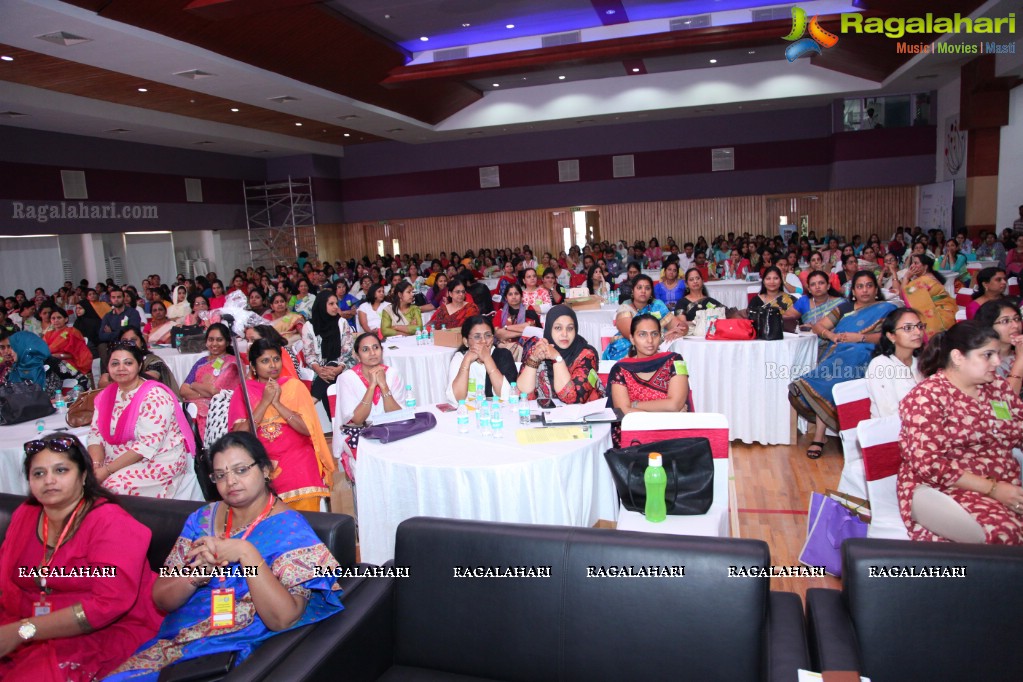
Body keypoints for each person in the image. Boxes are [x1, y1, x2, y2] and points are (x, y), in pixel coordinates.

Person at [108, 431, 344, 680]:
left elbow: (284, 618)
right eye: (221, 475)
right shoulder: (202, 520)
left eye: (241, 470)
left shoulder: (290, 529)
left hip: (240, 650)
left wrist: (245, 552)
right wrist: (196, 575)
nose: (230, 481)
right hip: (177, 646)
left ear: (265, 470)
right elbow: (162, 598)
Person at [0, 433, 163, 680]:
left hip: (103, 631)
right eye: (39, 473)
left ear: (84, 475)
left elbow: (106, 606)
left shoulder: (110, 523)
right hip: (25, 622)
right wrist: (21, 628)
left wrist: (25, 630)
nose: (49, 481)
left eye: (61, 470)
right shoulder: (27, 514)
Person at [897, 323, 1023, 544]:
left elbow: (1018, 430)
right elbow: (930, 464)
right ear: (957, 357)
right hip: (944, 488)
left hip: (1006, 483)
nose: (997, 362)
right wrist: (993, 489)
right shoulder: (927, 397)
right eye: (988, 355)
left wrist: (1002, 488)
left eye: (996, 354)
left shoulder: (997, 388)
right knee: (1006, 536)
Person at [789, 271, 897, 459]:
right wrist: (832, 336)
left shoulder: (887, 308)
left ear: (876, 289)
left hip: (870, 352)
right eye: (860, 286)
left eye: (869, 285)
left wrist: (861, 337)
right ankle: (819, 436)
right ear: (853, 290)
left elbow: (892, 336)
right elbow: (819, 326)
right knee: (834, 365)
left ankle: (819, 430)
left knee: (851, 358)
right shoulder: (845, 307)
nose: (865, 290)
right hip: (838, 350)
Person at [228, 340, 334, 511]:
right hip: (261, 459)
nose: (273, 365)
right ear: (253, 366)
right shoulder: (243, 391)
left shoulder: (294, 387)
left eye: (276, 359)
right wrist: (264, 402)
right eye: (265, 361)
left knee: (303, 515)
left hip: (297, 456)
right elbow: (239, 435)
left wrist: (277, 403)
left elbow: (308, 429)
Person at [87, 343, 196, 498]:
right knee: (77, 482)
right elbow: (95, 435)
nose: (121, 368)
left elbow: (146, 446)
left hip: (157, 460)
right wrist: (96, 466)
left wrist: (105, 471)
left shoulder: (154, 396)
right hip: (114, 461)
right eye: (115, 363)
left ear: (139, 366)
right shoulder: (106, 396)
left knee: (111, 488)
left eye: (128, 363)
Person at [606, 314, 690, 446]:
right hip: (635, 440)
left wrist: (634, 405)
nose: (650, 340)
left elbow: (674, 404)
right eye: (642, 335)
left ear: (660, 336)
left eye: (654, 334)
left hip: (673, 437)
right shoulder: (621, 369)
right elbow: (623, 411)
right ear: (632, 339)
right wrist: (666, 415)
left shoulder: (676, 360)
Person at [333, 332, 407, 480]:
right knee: (374, 463)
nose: (372, 353)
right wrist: (372, 386)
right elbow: (357, 420)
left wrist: (384, 386)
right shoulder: (346, 378)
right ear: (357, 355)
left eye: (376, 348)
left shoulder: (392, 374)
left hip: (389, 430)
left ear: (382, 350)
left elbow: (397, 416)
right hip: (357, 433)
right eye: (365, 349)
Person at [517, 305, 604, 408]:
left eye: (570, 328)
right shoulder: (539, 349)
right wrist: (534, 359)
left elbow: (573, 399)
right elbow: (524, 395)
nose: (565, 334)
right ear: (549, 329)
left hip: (585, 418)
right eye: (558, 328)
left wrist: (557, 359)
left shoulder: (587, 354)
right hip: (547, 417)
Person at [179, 323, 242, 441]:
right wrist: (202, 391)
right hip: (193, 408)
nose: (214, 344)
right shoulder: (201, 362)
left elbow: (215, 391)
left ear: (227, 342)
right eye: (211, 340)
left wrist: (194, 385)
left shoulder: (232, 363)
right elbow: (183, 390)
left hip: (219, 410)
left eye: (219, 340)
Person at [603, 274, 686, 360]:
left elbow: (682, 327)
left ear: (651, 292)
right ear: (632, 291)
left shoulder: (657, 305)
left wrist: (676, 332)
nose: (643, 291)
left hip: (654, 347)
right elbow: (633, 336)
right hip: (624, 350)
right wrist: (663, 336)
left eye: (647, 288)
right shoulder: (625, 308)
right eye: (639, 288)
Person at [865, 308, 925, 418]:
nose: (917, 332)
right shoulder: (880, 365)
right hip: (893, 430)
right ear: (891, 336)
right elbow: (889, 413)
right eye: (908, 328)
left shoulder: (921, 361)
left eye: (920, 326)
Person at [445, 316, 518, 405]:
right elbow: (458, 398)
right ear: (466, 341)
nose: (483, 341)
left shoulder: (503, 355)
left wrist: (487, 359)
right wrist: (466, 361)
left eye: (488, 335)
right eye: (477, 337)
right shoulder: (460, 358)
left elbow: (506, 395)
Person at [302, 291, 356, 404]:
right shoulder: (309, 326)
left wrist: (339, 368)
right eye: (331, 304)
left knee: (331, 366)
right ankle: (335, 420)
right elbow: (309, 354)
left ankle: (312, 400)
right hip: (318, 369)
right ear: (321, 305)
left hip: (343, 365)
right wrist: (319, 370)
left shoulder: (342, 322)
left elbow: (347, 350)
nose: (336, 307)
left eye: (336, 303)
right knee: (328, 379)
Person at [98, 327, 178, 395]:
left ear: (142, 343)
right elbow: (102, 384)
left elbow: (146, 382)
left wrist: (119, 384)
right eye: (125, 341)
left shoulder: (153, 360)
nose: (129, 344)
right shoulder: (116, 361)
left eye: (133, 340)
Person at [892, 254, 957, 335]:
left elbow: (903, 297)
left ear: (925, 267)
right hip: (948, 313)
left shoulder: (924, 280)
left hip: (940, 318)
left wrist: (906, 277)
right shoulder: (924, 278)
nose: (912, 266)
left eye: (916, 263)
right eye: (912, 263)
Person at [974, 298, 1023, 398]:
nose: (1015, 325)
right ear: (988, 326)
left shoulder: (1017, 352)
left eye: (1017, 319)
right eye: (1005, 321)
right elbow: (1006, 402)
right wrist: (1020, 359)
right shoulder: (981, 362)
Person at [494, 283, 542, 359]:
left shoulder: (529, 310)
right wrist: (523, 331)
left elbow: (531, 331)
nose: (513, 297)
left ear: (521, 296)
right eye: (510, 294)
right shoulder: (500, 313)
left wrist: (506, 328)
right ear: (506, 298)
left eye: (516, 293)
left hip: (527, 349)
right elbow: (498, 333)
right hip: (505, 349)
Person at [43, 308, 93, 377]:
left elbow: (79, 353)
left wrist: (59, 356)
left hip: (70, 364)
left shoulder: (72, 332)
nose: (56, 320)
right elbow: (42, 352)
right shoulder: (48, 334)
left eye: (59, 318)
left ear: (66, 319)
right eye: (53, 318)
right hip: (50, 363)